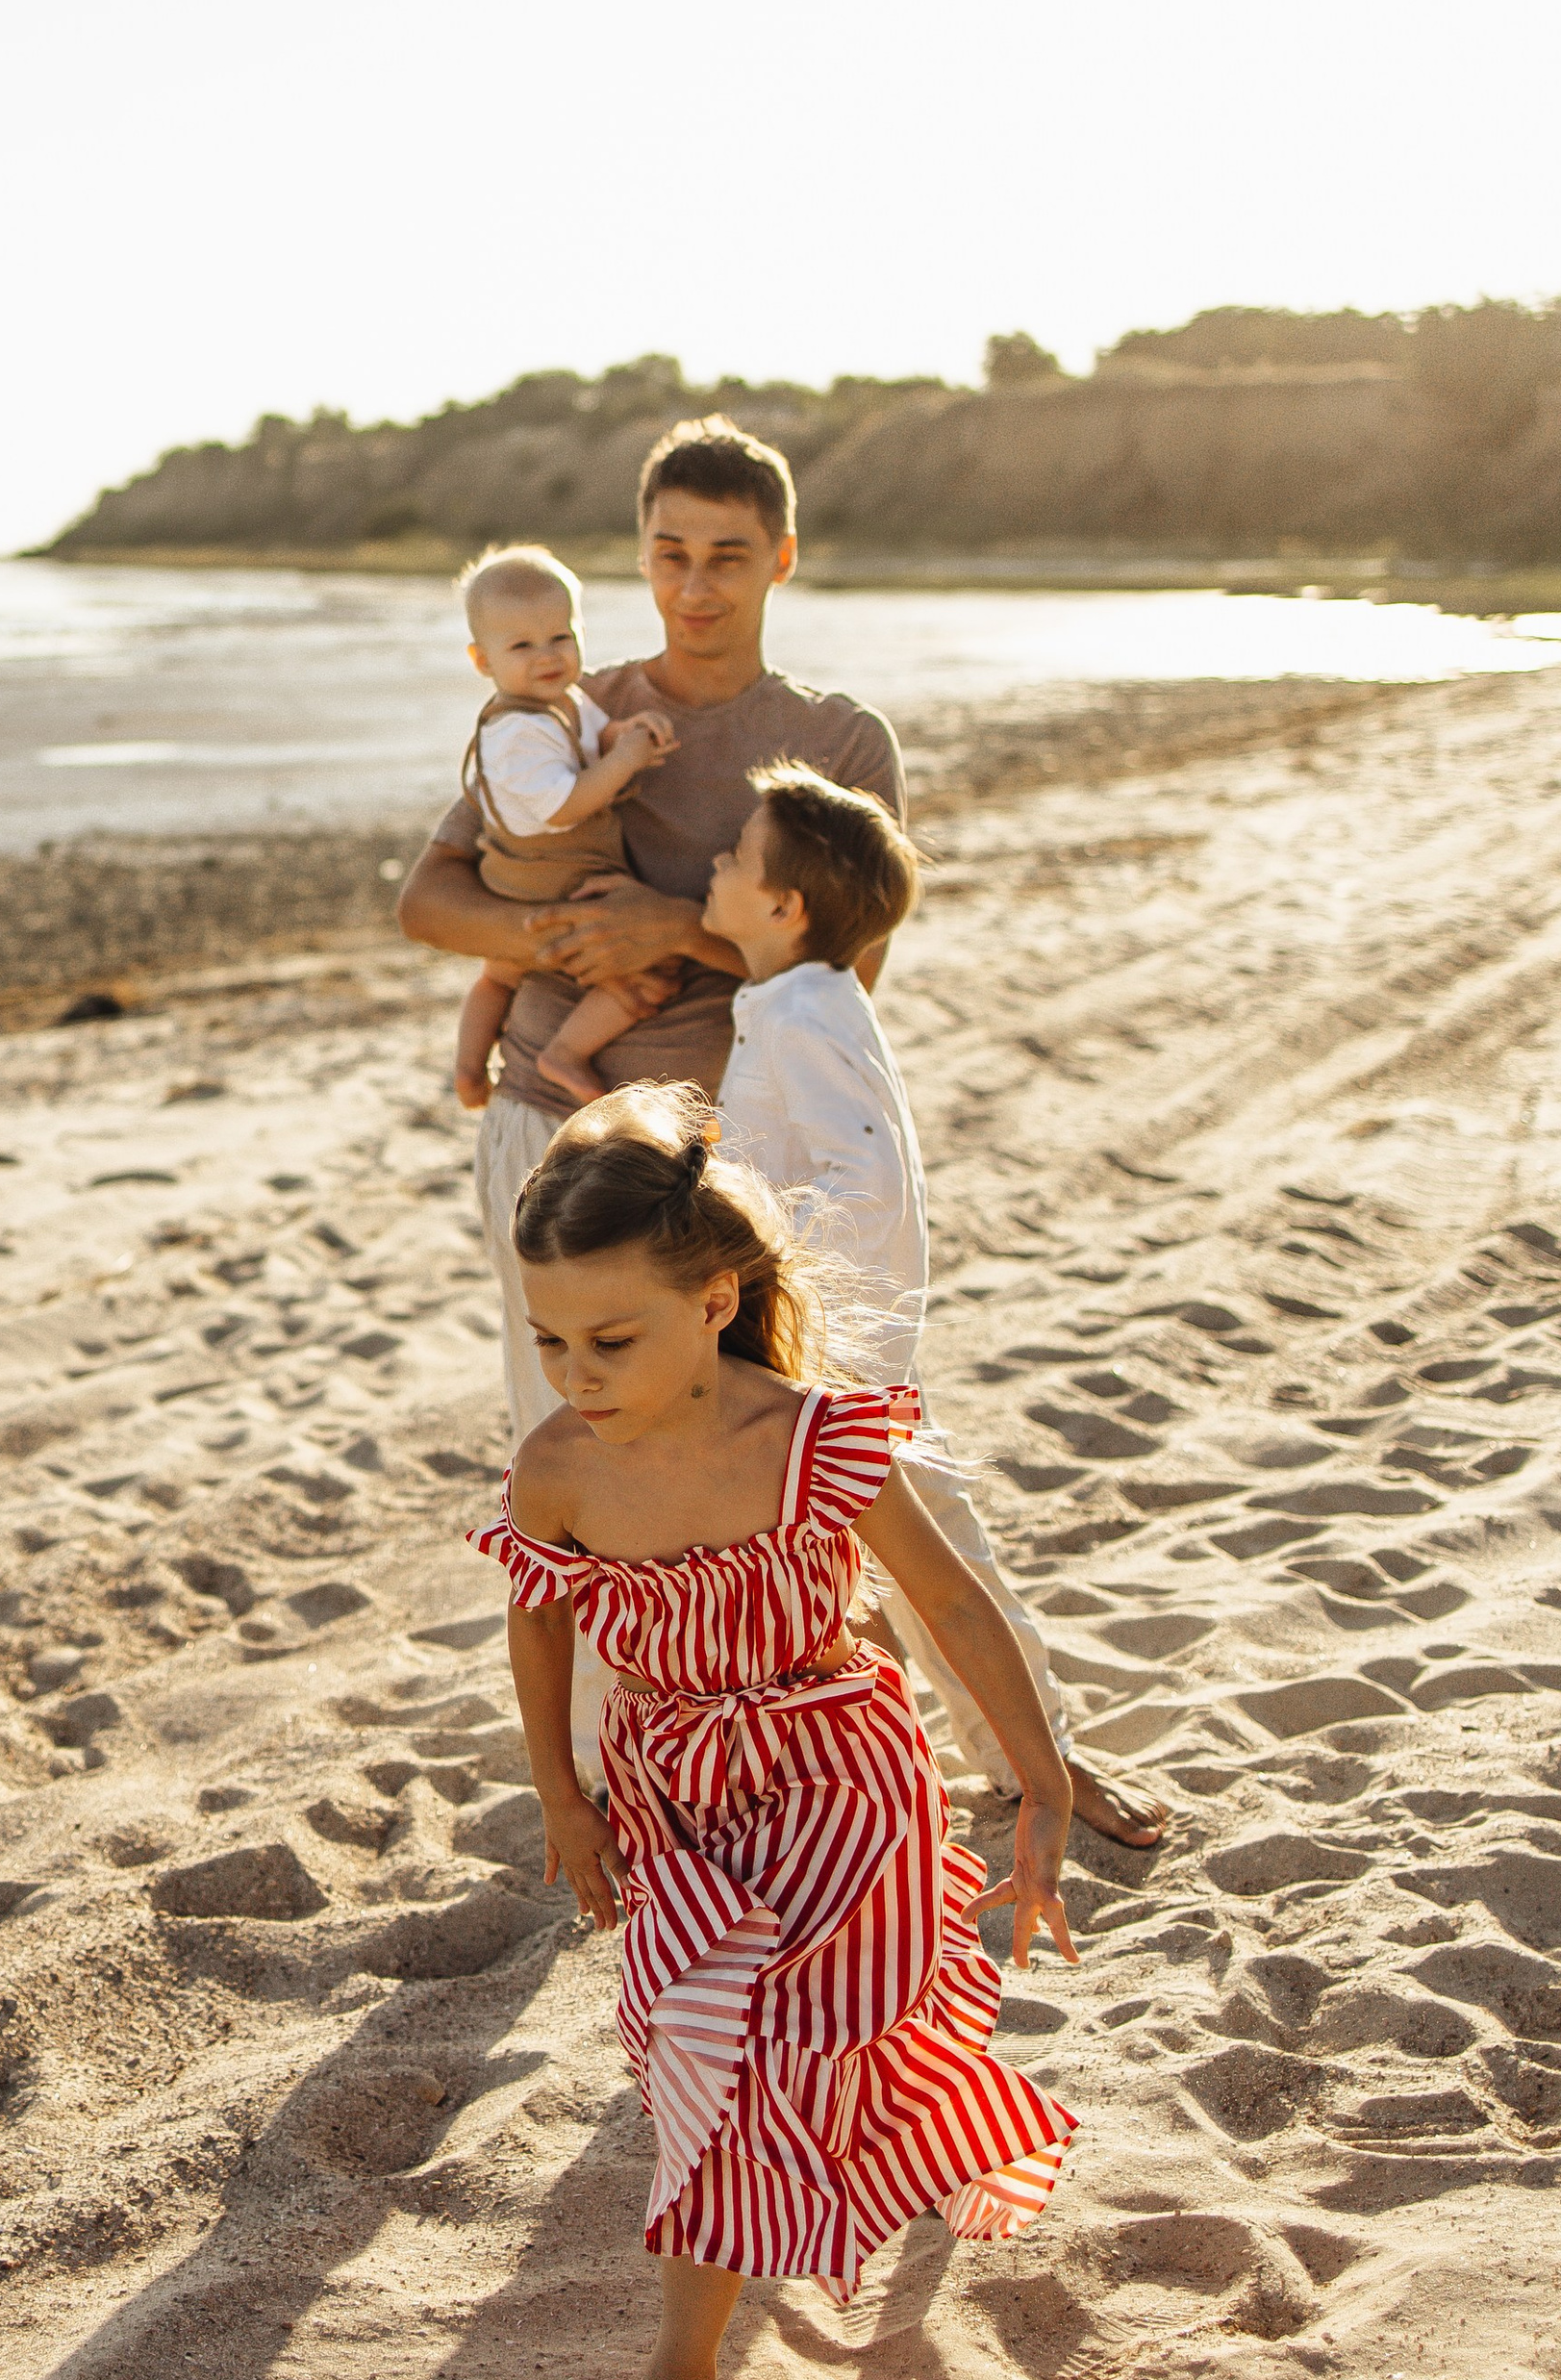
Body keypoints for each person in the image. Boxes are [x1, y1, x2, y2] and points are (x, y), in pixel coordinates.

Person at [399, 413, 1161, 1849]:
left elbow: (848, 952)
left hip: (752, 1152)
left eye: (728, 558)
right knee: (574, 1449)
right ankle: (620, 1790)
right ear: (640, 555)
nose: (695, 585)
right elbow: (430, 904)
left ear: (782, 560)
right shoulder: (561, 704)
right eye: (671, 554)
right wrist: (566, 932)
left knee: (867, 1450)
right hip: (559, 1134)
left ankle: (1032, 1754)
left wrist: (670, 925)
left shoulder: (834, 739)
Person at [469, 1086, 1077, 2380]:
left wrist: (1043, 1782)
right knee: (706, 2059)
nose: (576, 1372)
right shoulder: (562, 1462)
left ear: (715, 1300)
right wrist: (563, 1791)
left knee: (827, 2041)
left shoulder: (815, 1438)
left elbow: (951, 1603)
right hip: (675, 1791)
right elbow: (541, 1619)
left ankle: (717, 2343)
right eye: (549, 1338)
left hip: (844, 1780)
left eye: (610, 1339)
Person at [707, 761, 1148, 1832]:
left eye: (736, 854)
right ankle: (941, 1766)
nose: (714, 864)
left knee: (936, 1567)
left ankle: (1043, 1764)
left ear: (782, 905)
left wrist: (754, 1268)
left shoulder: (808, 1012)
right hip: (823, 1347)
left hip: (831, 1355)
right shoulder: (794, 999)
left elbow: (864, 1180)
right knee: (863, 1573)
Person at [450, 543, 682, 1113]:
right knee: (649, 975)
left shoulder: (566, 701)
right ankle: (563, 1054)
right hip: (543, 882)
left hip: (547, 878)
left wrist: (626, 734)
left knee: (500, 978)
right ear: (483, 662)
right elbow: (567, 805)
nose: (547, 656)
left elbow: (594, 739)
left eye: (561, 637)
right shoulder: (513, 735)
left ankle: (469, 1071)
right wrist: (622, 763)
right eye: (522, 645)